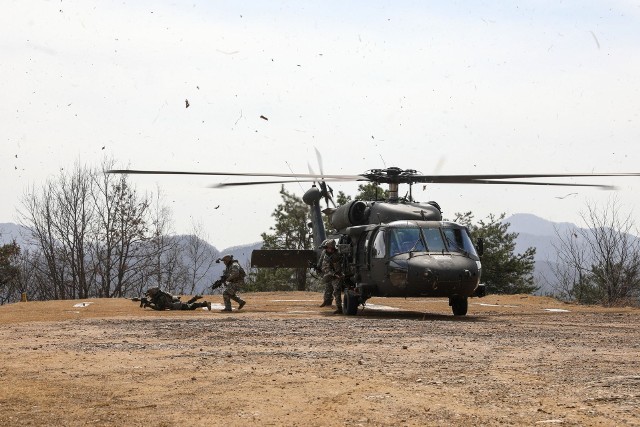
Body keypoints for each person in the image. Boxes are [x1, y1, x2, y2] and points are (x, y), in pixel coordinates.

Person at [319, 239, 344, 314]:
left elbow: (339, 266)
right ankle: (327, 301)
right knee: (328, 287)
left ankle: (339, 308)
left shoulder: (337, 255)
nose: (327, 249)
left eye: (328, 247)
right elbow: (325, 266)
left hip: (337, 275)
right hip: (331, 274)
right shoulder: (326, 254)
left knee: (337, 291)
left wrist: (337, 274)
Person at [138, 287, 212, 311]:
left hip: (176, 306)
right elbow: (155, 303)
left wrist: (149, 305)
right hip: (176, 304)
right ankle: (195, 298)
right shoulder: (159, 296)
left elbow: (159, 308)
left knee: (191, 306)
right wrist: (147, 302)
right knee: (187, 304)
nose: (149, 296)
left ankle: (205, 304)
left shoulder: (161, 297)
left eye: (150, 294)